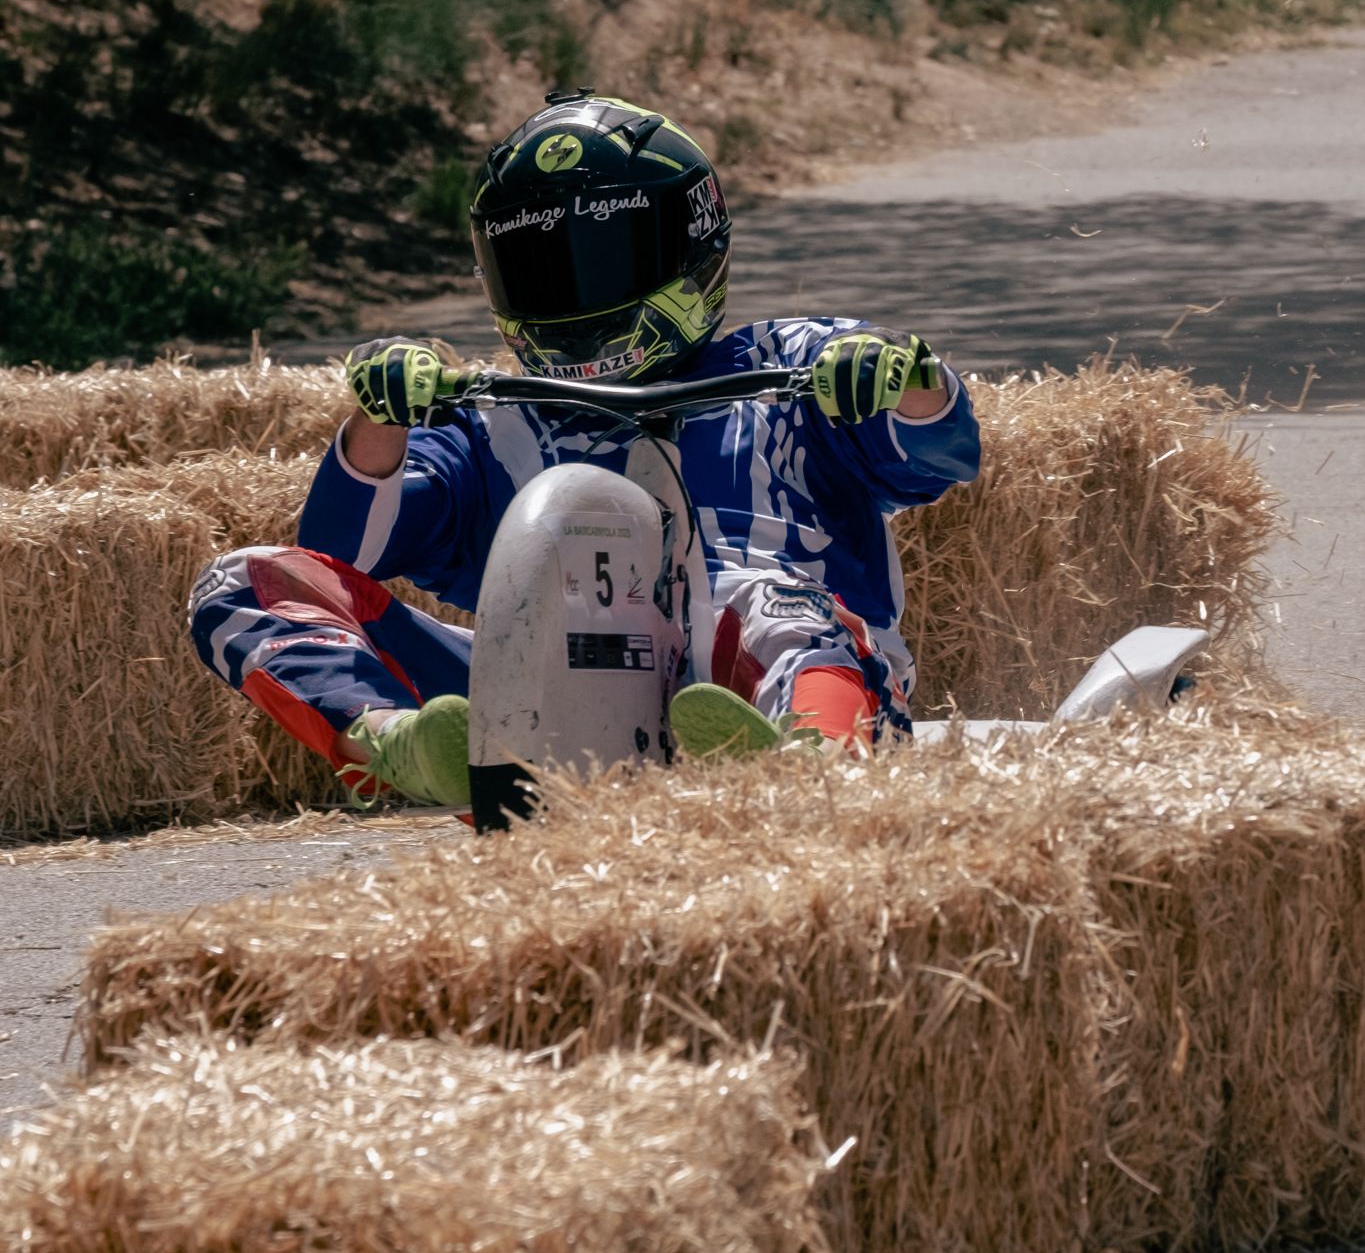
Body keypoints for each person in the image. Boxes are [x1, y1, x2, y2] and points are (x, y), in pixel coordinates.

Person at [187, 92, 981, 812]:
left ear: (690, 242)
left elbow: (945, 453)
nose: (573, 297)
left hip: (773, 674)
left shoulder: (794, 364)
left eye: (601, 259)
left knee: (765, 606)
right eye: (539, 268)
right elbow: (339, 552)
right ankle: (401, 747)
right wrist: (378, 419)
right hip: (544, 706)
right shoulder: (492, 424)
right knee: (241, 582)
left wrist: (903, 377)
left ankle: (818, 776)